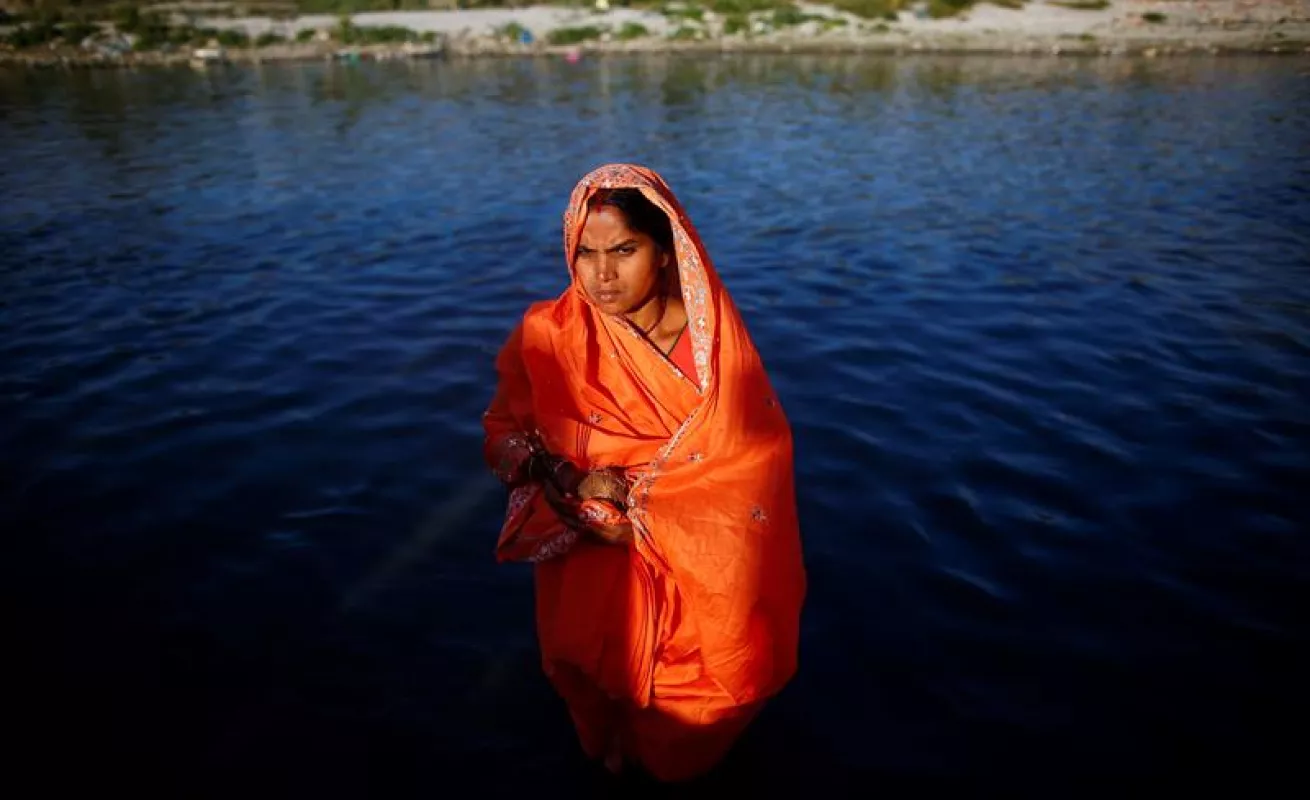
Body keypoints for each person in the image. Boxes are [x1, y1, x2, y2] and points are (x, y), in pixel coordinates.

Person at [481, 163, 806, 782]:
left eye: (624, 250)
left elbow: (750, 467)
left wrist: (649, 523)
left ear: (665, 252)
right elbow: (505, 430)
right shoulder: (549, 335)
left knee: (693, 706)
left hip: (694, 569)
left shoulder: (713, 356)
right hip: (589, 556)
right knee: (593, 677)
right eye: (585, 253)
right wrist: (562, 479)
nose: (601, 275)